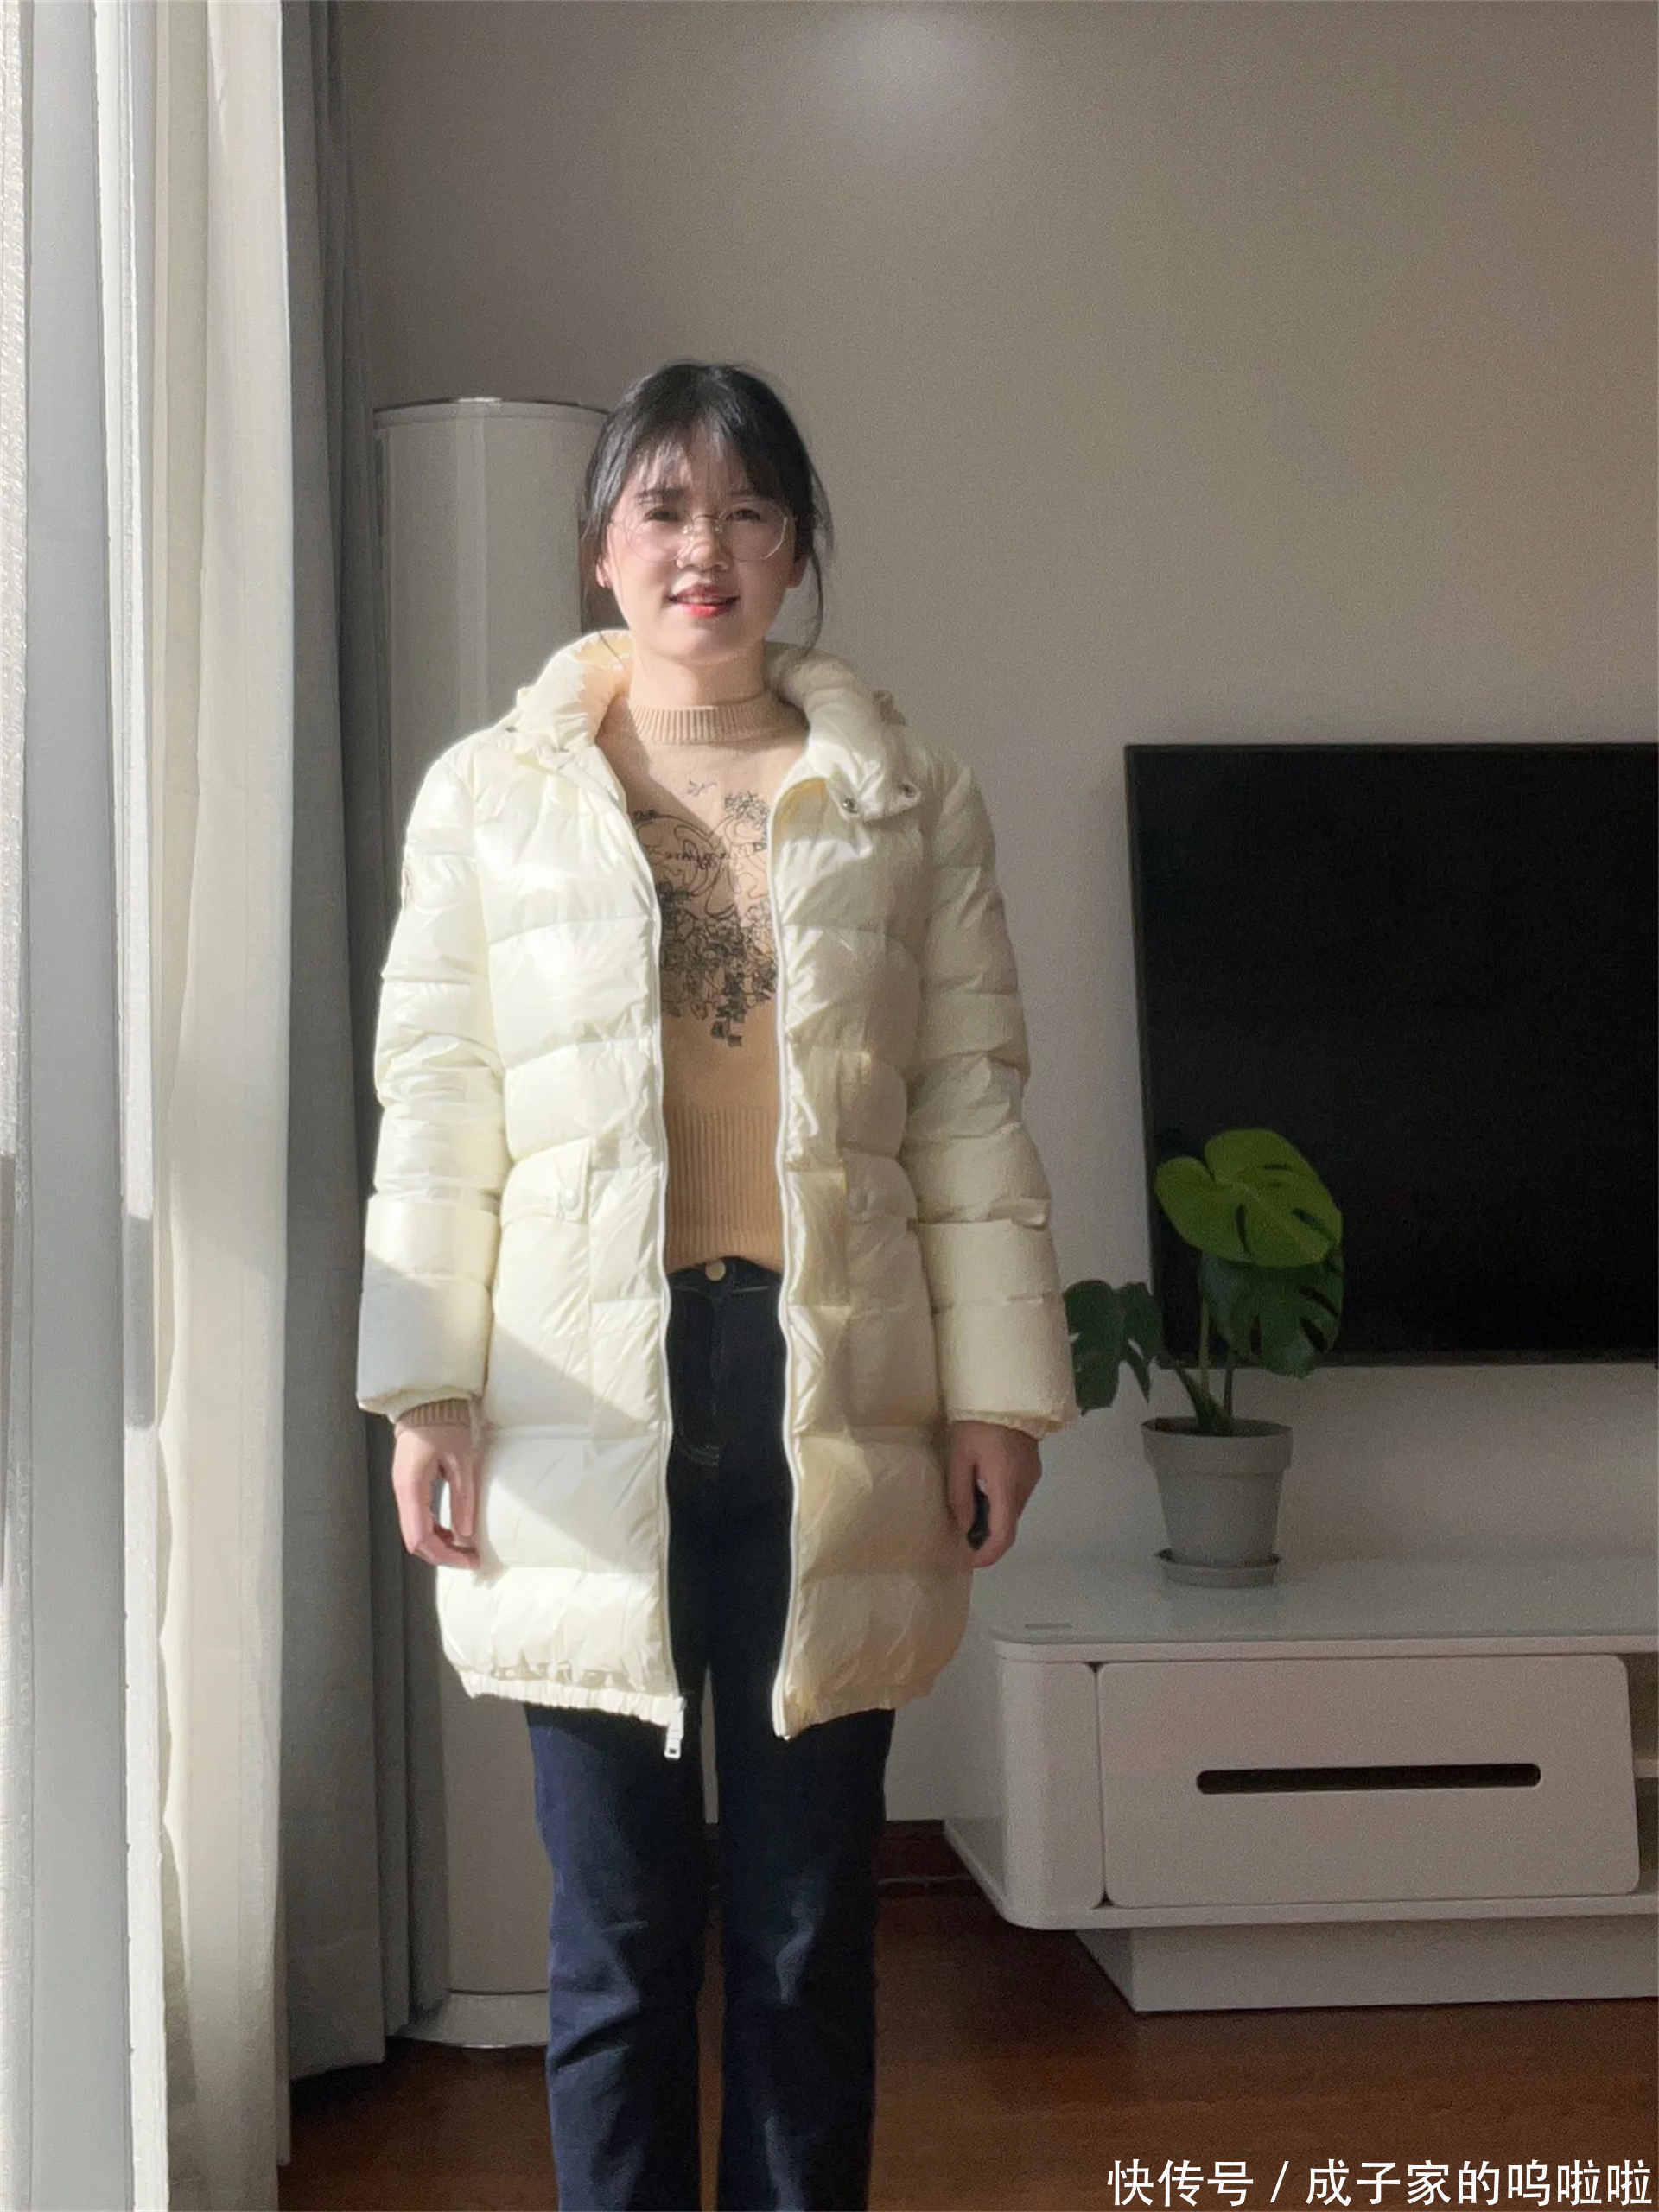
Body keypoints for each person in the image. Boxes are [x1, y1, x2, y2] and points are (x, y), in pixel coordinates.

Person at [354, 359, 1079, 2212]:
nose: (708, 549)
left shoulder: (906, 796)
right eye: (666, 509)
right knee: (615, 1934)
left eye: (751, 512)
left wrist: (999, 1394)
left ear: (798, 550)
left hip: (833, 1385)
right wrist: (426, 1383)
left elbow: (966, 1102)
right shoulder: (492, 800)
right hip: (582, 1390)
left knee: (805, 1925)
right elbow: (440, 1104)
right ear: (600, 548)